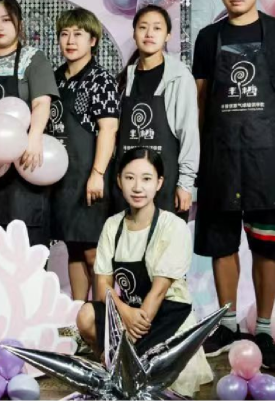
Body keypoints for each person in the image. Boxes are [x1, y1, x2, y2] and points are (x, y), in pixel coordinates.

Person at [192, 0, 275, 370]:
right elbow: (200, 101)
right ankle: (226, 325)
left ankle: (263, 329)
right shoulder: (208, 37)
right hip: (219, 157)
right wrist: (197, 159)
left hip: (265, 157)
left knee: (266, 246)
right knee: (221, 245)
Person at [76, 148, 213, 398]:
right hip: (129, 310)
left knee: (143, 377)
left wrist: (131, 333)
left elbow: (159, 291)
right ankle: (109, 363)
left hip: (166, 313)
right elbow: (103, 284)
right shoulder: (113, 225)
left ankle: (118, 364)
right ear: (119, 181)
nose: (138, 187)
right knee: (86, 315)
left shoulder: (173, 226)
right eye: (130, 178)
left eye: (146, 179)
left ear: (159, 183)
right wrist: (124, 312)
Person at [0, 0, 59, 247]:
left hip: (23, 164)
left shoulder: (34, 58)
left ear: (19, 23)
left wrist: (34, 138)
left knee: (25, 245)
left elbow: (41, 103)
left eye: (6, 19)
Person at [48, 8, 120, 302]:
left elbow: (108, 129)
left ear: (93, 40)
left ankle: (103, 317)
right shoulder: (54, 78)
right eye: (65, 34)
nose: (70, 41)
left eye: (78, 34)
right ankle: (78, 314)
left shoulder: (101, 80)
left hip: (89, 176)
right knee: (73, 248)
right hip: (61, 180)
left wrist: (97, 174)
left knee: (93, 251)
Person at [113, 5, 199, 219]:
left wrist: (185, 184)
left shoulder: (179, 77)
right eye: (143, 27)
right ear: (134, 33)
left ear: (168, 35)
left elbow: (188, 133)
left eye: (157, 28)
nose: (149, 34)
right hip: (127, 184)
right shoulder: (124, 79)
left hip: (166, 182)